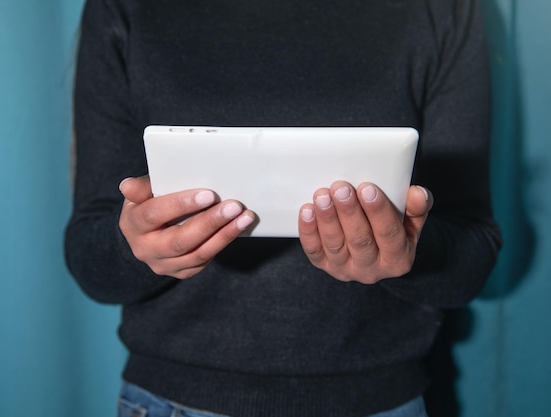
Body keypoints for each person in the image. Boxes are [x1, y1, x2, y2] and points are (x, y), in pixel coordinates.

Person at [65, 0, 502, 416]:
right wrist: (137, 246)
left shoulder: (440, 8)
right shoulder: (127, 7)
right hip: (172, 401)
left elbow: (473, 251)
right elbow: (89, 254)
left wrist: (407, 253)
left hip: (380, 401)